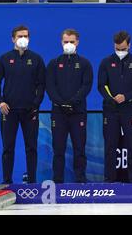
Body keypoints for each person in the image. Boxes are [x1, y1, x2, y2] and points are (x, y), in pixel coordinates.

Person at [0, 25, 45, 184]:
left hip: (30, 111)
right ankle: (7, 181)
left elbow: (42, 84)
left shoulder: (36, 59)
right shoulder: (4, 59)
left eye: (26, 36)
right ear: (13, 39)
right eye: (20, 36)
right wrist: (0, 101)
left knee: (31, 148)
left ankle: (32, 182)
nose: (23, 39)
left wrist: (36, 104)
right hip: (9, 111)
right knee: (8, 148)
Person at [98, 31, 132, 183]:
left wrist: (126, 96)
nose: (120, 51)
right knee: (110, 147)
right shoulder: (105, 62)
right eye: (118, 48)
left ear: (129, 45)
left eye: (123, 48)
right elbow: (101, 85)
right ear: (114, 45)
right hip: (111, 110)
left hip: (130, 110)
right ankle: (109, 181)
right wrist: (111, 98)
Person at [46, 29, 93, 183]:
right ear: (61, 42)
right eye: (66, 41)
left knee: (79, 148)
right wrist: (61, 103)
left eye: (72, 42)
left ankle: (81, 179)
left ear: (77, 42)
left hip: (78, 112)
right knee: (58, 149)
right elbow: (50, 87)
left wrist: (72, 102)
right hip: (58, 113)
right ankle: (57, 180)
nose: (69, 44)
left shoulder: (85, 63)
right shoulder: (53, 63)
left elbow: (86, 86)